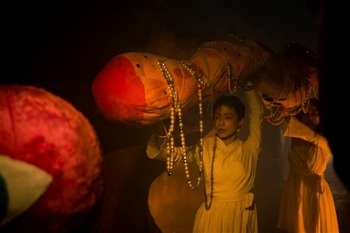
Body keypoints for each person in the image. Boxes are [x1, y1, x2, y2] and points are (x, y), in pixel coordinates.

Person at [146, 80, 265, 233]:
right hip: (213, 215)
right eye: (217, 117)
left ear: (240, 122)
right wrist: (159, 128)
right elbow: (170, 154)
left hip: (241, 215)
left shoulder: (250, 148)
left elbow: (257, 113)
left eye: (227, 117)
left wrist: (249, 87)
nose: (221, 123)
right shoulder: (205, 148)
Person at [276, 98, 339, 233]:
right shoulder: (297, 136)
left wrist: (294, 124)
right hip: (295, 187)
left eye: (314, 112)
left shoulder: (323, 140)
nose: (309, 116)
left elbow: (312, 137)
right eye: (306, 113)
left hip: (314, 190)